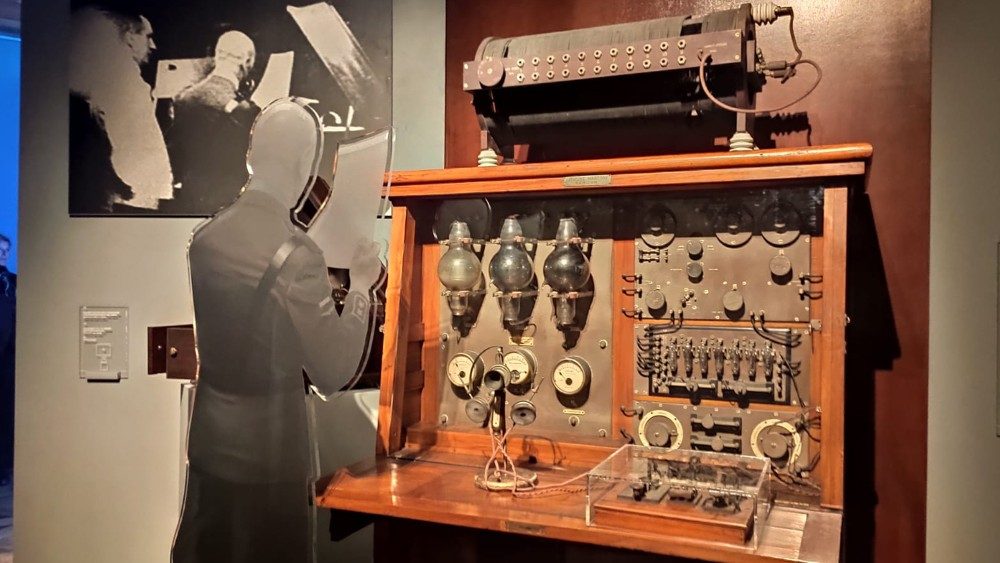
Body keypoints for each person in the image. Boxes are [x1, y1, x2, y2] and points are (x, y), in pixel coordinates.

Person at [172, 99, 383, 563]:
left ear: (251, 156)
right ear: (303, 165)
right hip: (269, 457)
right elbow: (332, 372)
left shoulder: (205, 241)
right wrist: (361, 287)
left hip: (209, 444)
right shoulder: (298, 255)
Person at [69, 8, 174, 213]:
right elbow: (141, 152)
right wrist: (155, 196)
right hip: (128, 201)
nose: (153, 45)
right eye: (148, 36)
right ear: (130, 38)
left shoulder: (89, 73)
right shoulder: (125, 80)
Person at [167, 31, 260, 215]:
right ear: (247, 62)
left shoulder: (183, 98)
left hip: (189, 200)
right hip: (228, 205)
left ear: (217, 56)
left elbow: (175, 153)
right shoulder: (246, 111)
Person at [0, 235, 15, 485]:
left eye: (6, 250)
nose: (3, 253)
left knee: (6, 412)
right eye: (0, 249)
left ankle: (4, 468)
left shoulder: (14, 281)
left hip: (10, 359)